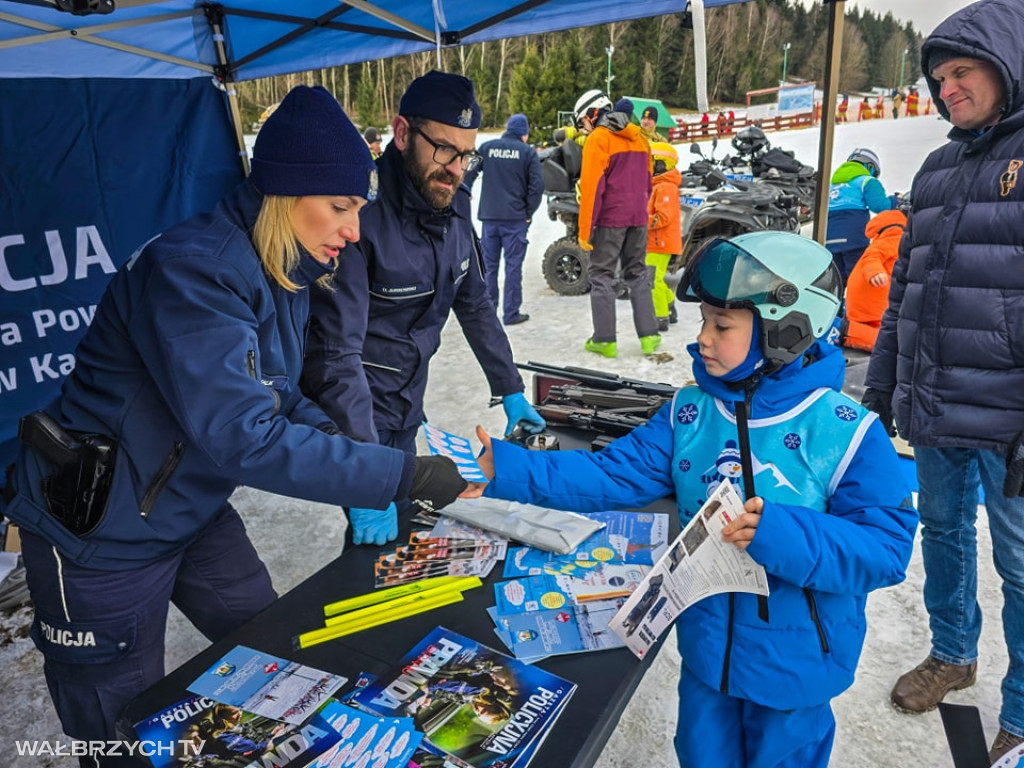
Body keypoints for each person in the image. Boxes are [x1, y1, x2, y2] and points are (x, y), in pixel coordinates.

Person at [0, 85, 468, 765]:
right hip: (103, 532)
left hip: (192, 506)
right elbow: (245, 434)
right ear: (284, 195)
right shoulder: (193, 271)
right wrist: (399, 473)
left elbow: (282, 398)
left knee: (272, 649)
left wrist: (361, 465)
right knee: (122, 731)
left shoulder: (284, 268)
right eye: (340, 206)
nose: (353, 229)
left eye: (359, 208)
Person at [465, 230, 917, 768]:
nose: (702, 338)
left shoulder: (845, 432)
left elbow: (886, 551)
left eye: (721, 325)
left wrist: (780, 533)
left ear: (786, 329)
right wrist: (510, 468)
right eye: (704, 321)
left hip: (794, 670)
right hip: (708, 658)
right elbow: (612, 474)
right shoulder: (691, 411)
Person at [862, 1, 1024, 762]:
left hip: (1010, 416)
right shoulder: (935, 167)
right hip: (935, 405)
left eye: (963, 71)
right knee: (945, 537)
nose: (949, 87)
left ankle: (1023, 710)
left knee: (1021, 566)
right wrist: (884, 382)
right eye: (938, 77)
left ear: (1007, 65)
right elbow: (906, 291)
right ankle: (952, 656)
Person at [301, 71, 545, 547]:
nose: (455, 167)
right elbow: (336, 357)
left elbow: (474, 303)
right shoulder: (360, 219)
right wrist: (364, 479)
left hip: (408, 404)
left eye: (466, 154)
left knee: (408, 532)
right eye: (444, 149)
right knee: (375, 544)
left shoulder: (452, 204)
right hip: (359, 415)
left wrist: (510, 388)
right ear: (402, 133)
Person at [572, 88, 660, 359]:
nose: (582, 129)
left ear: (593, 113)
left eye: (582, 122)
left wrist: (585, 232)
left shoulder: (599, 139)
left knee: (601, 276)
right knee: (637, 274)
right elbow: (648, 182)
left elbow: (592, 190)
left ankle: (605, 340)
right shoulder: (639, 137)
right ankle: (650, 336)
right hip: (638, 219)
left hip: (611, 220)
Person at [462, 113, 543, 326]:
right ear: (524, 134)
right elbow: (536, 187)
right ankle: (511, 313)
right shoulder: (528, 153)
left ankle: (488, 313)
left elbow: (469, 166)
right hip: (515, 220)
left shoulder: (487, 148)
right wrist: (528, 212)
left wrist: (465, 188)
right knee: (513, 267)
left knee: (489, 266)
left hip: (490, 218)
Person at [824, 148, 899, 281]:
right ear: (870, 166)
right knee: (858, 278)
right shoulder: (866, 181)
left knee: (836, 282)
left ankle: (837, 302)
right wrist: (896, 200)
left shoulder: (831, 185)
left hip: (828, 238)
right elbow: (880, 206)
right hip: (854, 238)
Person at [840, 208, 906, 352]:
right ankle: (845, 331)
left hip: (863, 307)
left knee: (884, 333)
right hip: (873, 306)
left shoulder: (883, 239)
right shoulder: (896, 237)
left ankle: (849, 329)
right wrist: (875, 273)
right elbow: (872, 257)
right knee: (889, 343)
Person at [646, 142, 682, 332]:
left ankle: (660, 318)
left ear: (662, 164)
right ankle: (669, 307)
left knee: (651, 281)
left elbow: (663, 218)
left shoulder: (665, 187)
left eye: (651, 161)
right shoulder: (658, 186)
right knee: (655, 279)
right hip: (656, 242)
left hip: (660, 243)